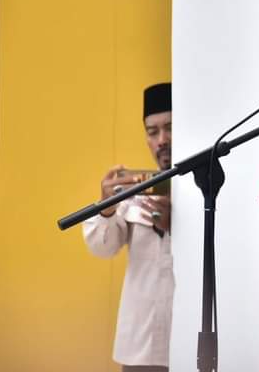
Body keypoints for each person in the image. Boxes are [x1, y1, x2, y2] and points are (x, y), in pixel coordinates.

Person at [83, 83, 174, 372]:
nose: (162, 140)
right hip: (139, 346)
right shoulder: (134, 190)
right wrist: (106, 207)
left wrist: (178, 226)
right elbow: (102, 248)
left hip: (186, 339)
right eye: (152, 132)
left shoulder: (207, 190)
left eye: (170, 127)